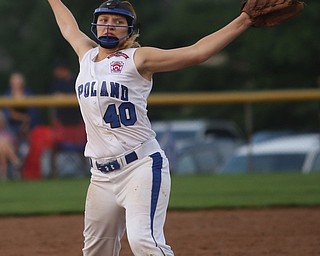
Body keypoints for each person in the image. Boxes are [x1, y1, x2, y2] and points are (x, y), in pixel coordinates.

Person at [47, 0, 252, 255]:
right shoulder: (85, 55)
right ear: (95, 24)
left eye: (118, 22)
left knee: (144, 241)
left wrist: (244, 20)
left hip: (140, 167)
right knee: (95, 252)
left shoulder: (138, 58)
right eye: (104, 20)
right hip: (100, 175)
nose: (109, 26)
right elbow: (68, 26)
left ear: (129, 29)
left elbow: (197, 52)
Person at [0, 110, 21, 180]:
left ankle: (3, 174)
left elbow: (14, 142)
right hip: (7, 152)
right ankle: (15, 161)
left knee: (3, 148)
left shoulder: (7, 131)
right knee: (2, 145)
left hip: (7, 151)